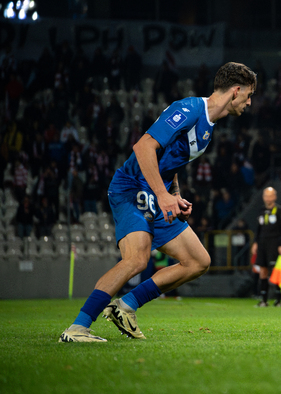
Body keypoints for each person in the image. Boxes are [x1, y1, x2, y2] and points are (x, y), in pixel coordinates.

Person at [59, 62, 256, 342]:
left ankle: (125, 307)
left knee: (198, 261)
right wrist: (162, 196)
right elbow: (143, 147)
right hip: (131, 187)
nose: (249, 102)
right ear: (235, 91)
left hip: (156, 193)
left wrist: (174, 194)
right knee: (137, 259)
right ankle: (77, 328)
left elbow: (170, 162)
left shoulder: (208, 126)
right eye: (248, 95)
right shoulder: (188, 109)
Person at [251, 187, 281, 307]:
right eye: (266, 196)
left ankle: (278, 300)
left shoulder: (279, 211)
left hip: (274, 243)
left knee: (275, 270)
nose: (268, 198)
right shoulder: (261, 211)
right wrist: (255, 242)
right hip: (262, 244)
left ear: (275, 197)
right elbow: (258, 229)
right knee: (263, 271)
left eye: (270, 196)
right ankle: (264, 300)